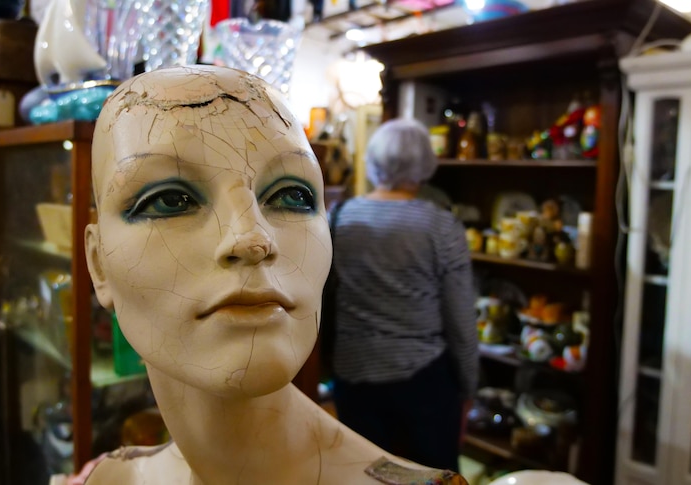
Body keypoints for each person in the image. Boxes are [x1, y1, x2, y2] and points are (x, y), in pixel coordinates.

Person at [81, 65, 467, 484]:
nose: (251, 239)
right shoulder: (113, 477)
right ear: (99, 263)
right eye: (170, 200)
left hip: (359, 372)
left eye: (291, 195)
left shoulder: (350, 215)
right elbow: (459, 312)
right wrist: (468, 382)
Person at [329, 118, 478, 473]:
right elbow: (461, 319)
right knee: (428, 477)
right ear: (425, 165)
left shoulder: (342, 216)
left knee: (362, 476)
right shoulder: (440, 225)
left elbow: (329, 298)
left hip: (353, 374)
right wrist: (469, 385)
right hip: (422, 381)